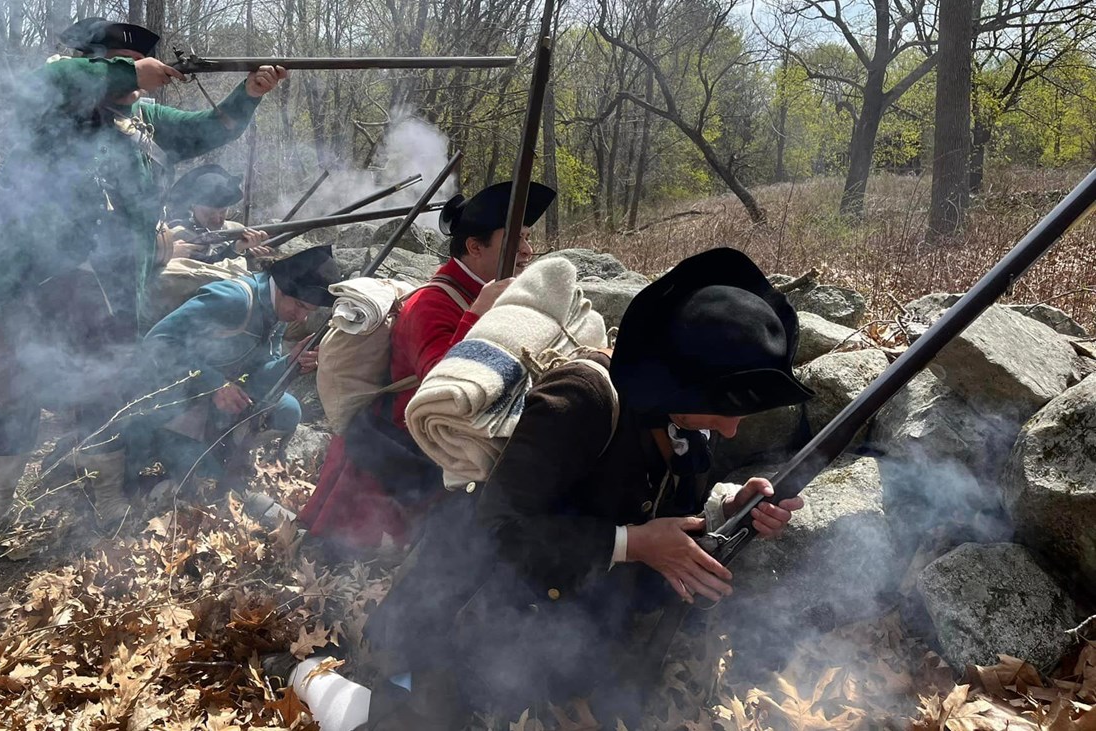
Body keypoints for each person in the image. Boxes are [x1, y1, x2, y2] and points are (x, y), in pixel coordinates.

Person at [341, 247, 816, 729]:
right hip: (465, 626)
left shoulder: (686, 420)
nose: (732, 430)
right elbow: (499, 529)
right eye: (726, 409)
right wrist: (632, 544)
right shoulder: (583, 399)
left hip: (561, 640)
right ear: (685, 385)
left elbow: (667, 510)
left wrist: (727, 509)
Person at [0, 16, 286, 528]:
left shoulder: (139, 118)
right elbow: (50, 82)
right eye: (117, 69)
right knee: (16, 389)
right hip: (31, 284)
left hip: (112, 290)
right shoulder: (52, 103)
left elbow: (204, 130)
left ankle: (106, 499)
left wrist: (249, 93)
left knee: (105, 390)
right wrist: (128, 73)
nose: (129, 83)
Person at [297, 181, 555, 557]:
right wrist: (477, 314)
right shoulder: (431, 303)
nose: (528, 251)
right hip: (400, 448)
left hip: (439, 439)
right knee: (347, 560)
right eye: (515, 241)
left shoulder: (484, 293)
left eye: (528, 239)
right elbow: (443, 385)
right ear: (474, 247)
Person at [134, 245, 342, 495]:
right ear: (283, 287)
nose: (301, 318)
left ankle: (226, 448)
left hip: (215, 403)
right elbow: (158, 341)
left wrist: (289, 363)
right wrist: (215, 385)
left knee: (288, 410)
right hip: (172, 397)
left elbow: (258, 375)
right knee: (204, 484)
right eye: (299, 306)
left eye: (308, 311)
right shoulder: (234, 299)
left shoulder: (276, 312)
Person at [145, 164, 272, 328]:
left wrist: (253, 258)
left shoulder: (235, 228)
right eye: (209, 213)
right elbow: (201, 269)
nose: (217, 219)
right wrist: (236, 251)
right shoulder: (178, 234)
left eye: (223, 212)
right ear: (193, 207)